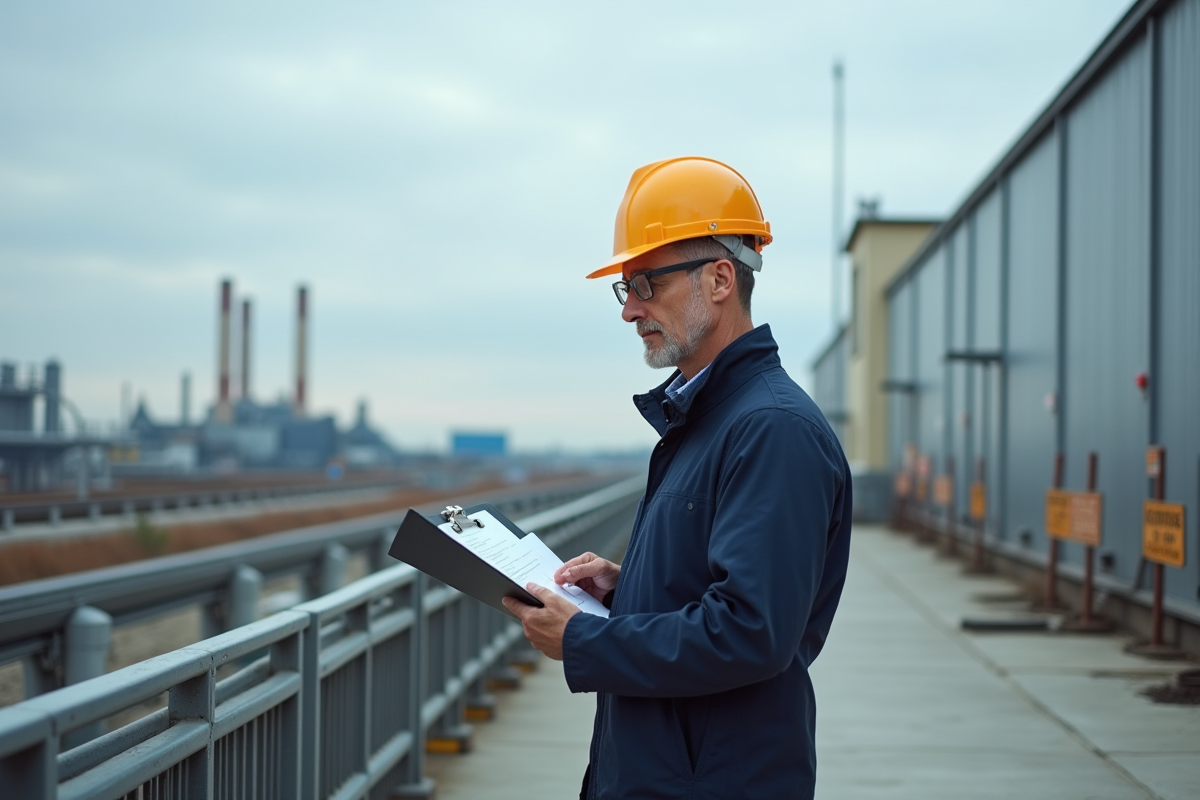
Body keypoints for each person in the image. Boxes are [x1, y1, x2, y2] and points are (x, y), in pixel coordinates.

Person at [502, 156, 852, 800]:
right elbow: (717, 585)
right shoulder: (709, 418)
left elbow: (751, 630)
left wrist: (586, 639)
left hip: (715, 780)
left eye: (646, 284)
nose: (630, 310)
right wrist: (625, 588)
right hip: (668, 769)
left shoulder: (772, 428)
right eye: (625, 288)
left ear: (720, 279)